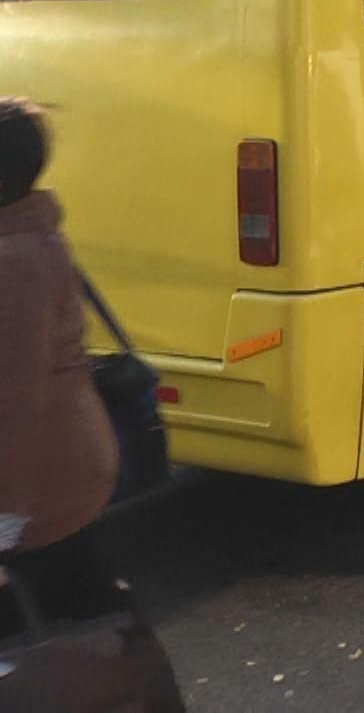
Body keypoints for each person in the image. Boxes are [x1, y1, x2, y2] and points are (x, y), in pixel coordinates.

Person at [0, 100, 185, 707]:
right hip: (58, 477)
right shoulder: (28, 237)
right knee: (88, 610)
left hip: (37, 488)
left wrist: (4, 519)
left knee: (79, 620)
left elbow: (12, 406)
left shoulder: (13, 264)